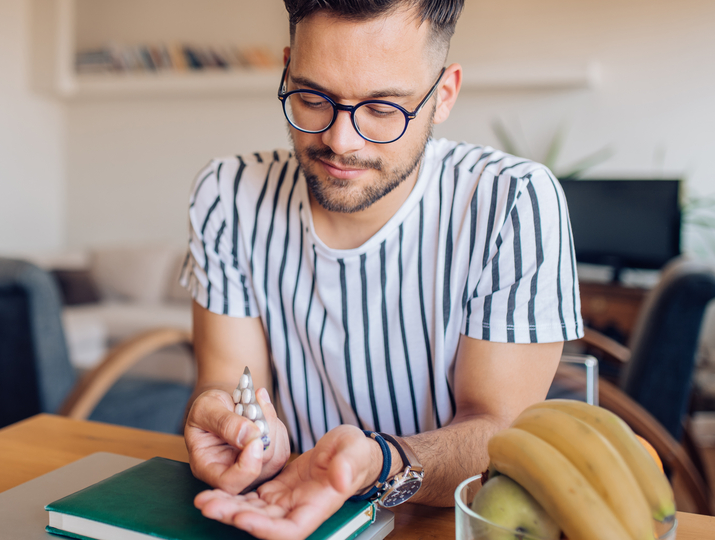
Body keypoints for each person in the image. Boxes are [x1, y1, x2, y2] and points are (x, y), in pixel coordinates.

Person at [179, 1, 582, 538]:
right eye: (312, 97)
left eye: (382, 108)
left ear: (443, 96)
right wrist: (229, 424)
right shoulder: (227, 195)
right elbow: (229, 379)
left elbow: (501, 433)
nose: (341, 141)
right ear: (286, 71)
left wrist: (379, 463)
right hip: (281, 514)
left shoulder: (511, 202)